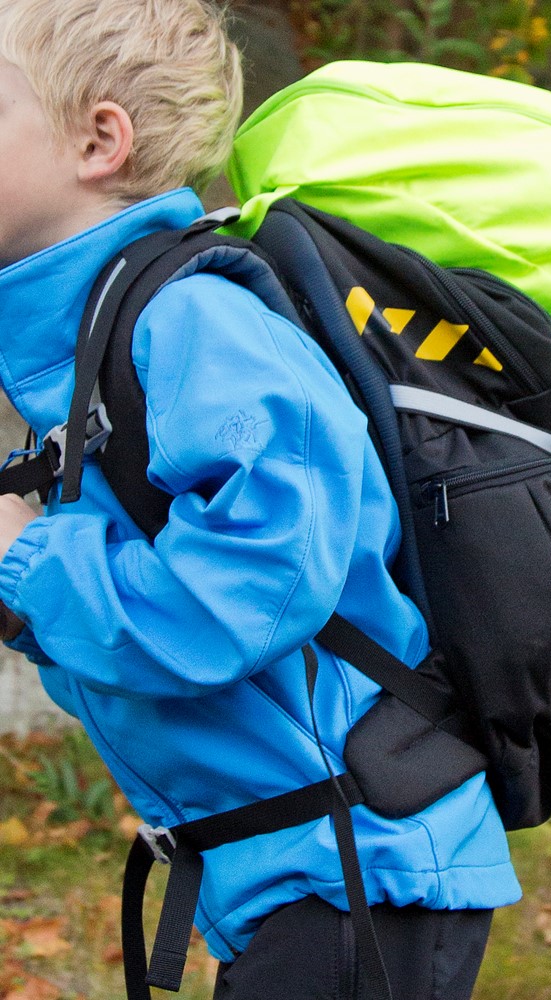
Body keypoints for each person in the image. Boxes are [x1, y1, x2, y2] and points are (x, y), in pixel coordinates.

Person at [0, 1, 521, 997]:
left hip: (358, 869)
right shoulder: (86, 351)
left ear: (98, 139)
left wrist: (26, 558)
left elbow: (256, 588)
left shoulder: (198, 324)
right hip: (297, 875)